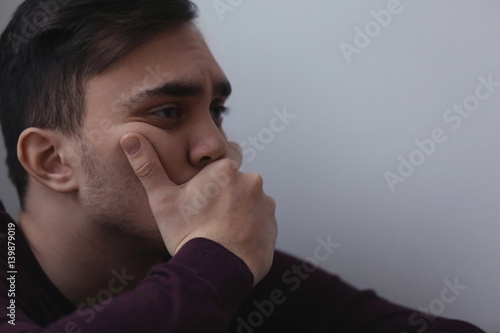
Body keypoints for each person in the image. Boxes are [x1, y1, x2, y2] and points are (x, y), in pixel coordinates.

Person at [0, 0, 485, 332]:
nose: (217, 146)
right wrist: (214, 265)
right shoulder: (214, 265)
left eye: (217, 111)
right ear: (52, 161)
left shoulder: (220, 265)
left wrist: (217, 264)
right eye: (167, 111)